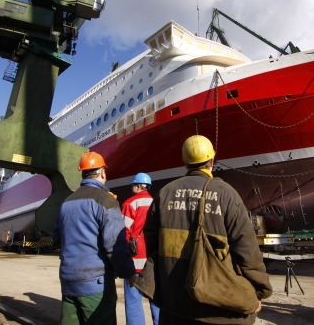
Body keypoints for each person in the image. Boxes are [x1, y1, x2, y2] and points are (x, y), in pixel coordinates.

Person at [136, 135, 273, 324]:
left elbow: (152, 243)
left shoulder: (164, 193)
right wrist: (259, 290)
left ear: (185, 162)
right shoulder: (226, 194)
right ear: (212, 161)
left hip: (174, 304)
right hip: (217, 305)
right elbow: (247, 249)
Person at [52, 151, 137, 325]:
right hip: (95, 283)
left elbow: (56, 238)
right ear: (102, 173)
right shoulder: (105, 200)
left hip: (68, 280)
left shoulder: (66, 202)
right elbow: (115, 244)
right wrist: (128, 273)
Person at [122, 173, 160, 325]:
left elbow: (123, 234)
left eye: (133, 186)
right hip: (153, 262)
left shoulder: (130, 204)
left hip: (135, 263)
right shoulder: (158, 203)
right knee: (156, 301)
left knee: (133, 302)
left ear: (138, 186)